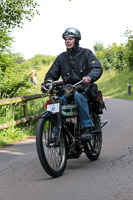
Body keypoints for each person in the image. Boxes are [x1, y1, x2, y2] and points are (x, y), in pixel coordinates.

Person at [44, 27, 103, 141]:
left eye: (70, 39)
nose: (67, 41)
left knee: (78, 95)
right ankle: (56, 130)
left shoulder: (86, 53)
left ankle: (86, 127)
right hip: (67, 90)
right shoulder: (61, 57)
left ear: (76, 40)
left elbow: (97, 68)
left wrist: (89, 77)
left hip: (84, 88)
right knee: (55, 101)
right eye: (66, 39)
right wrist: (48, 82)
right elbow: (52, 74)